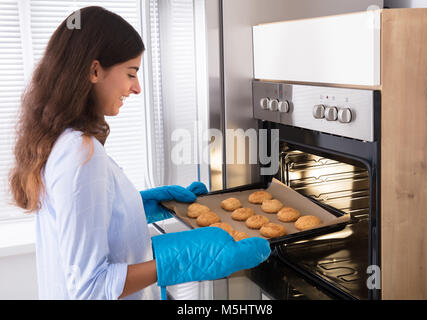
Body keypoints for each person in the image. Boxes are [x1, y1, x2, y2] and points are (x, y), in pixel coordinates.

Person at [8, 6, 270, 300]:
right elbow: (90, 289)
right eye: (131, 73)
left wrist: (132, 209)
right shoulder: (80, 153)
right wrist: (181, 259)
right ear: (95, 70)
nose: (137, 88)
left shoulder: (58, 140)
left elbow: (76, 227)